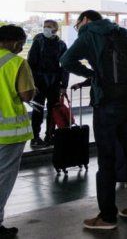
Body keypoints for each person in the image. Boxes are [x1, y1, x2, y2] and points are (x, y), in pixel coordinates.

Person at [61, 10, 127, 230]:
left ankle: (107, 217)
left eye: (78, 23)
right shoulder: (126, 33)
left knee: (106, 159)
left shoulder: (88, 34)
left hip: (107, 104)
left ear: (85, 20)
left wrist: (92, 74)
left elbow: (66, 61)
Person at [0, 25, 35, 239]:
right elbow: (26, 95)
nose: (21, 48)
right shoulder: (16, 62)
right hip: (8, 134)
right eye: (21, 44)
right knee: (3, 177)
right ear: (15, 42)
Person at [27, 20, 69, 147]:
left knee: (53, 111)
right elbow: (31, 64)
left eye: (49, 27)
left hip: (54, 82)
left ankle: (50, 135)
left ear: (55, 29)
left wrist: (63, 85)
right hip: (39, 82)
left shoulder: (61, 45)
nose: (46, 29)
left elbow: (64, 66)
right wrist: (32, 83)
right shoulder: (38, 42)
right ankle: (35, 137)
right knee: (37, 111)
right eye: (45, 26)